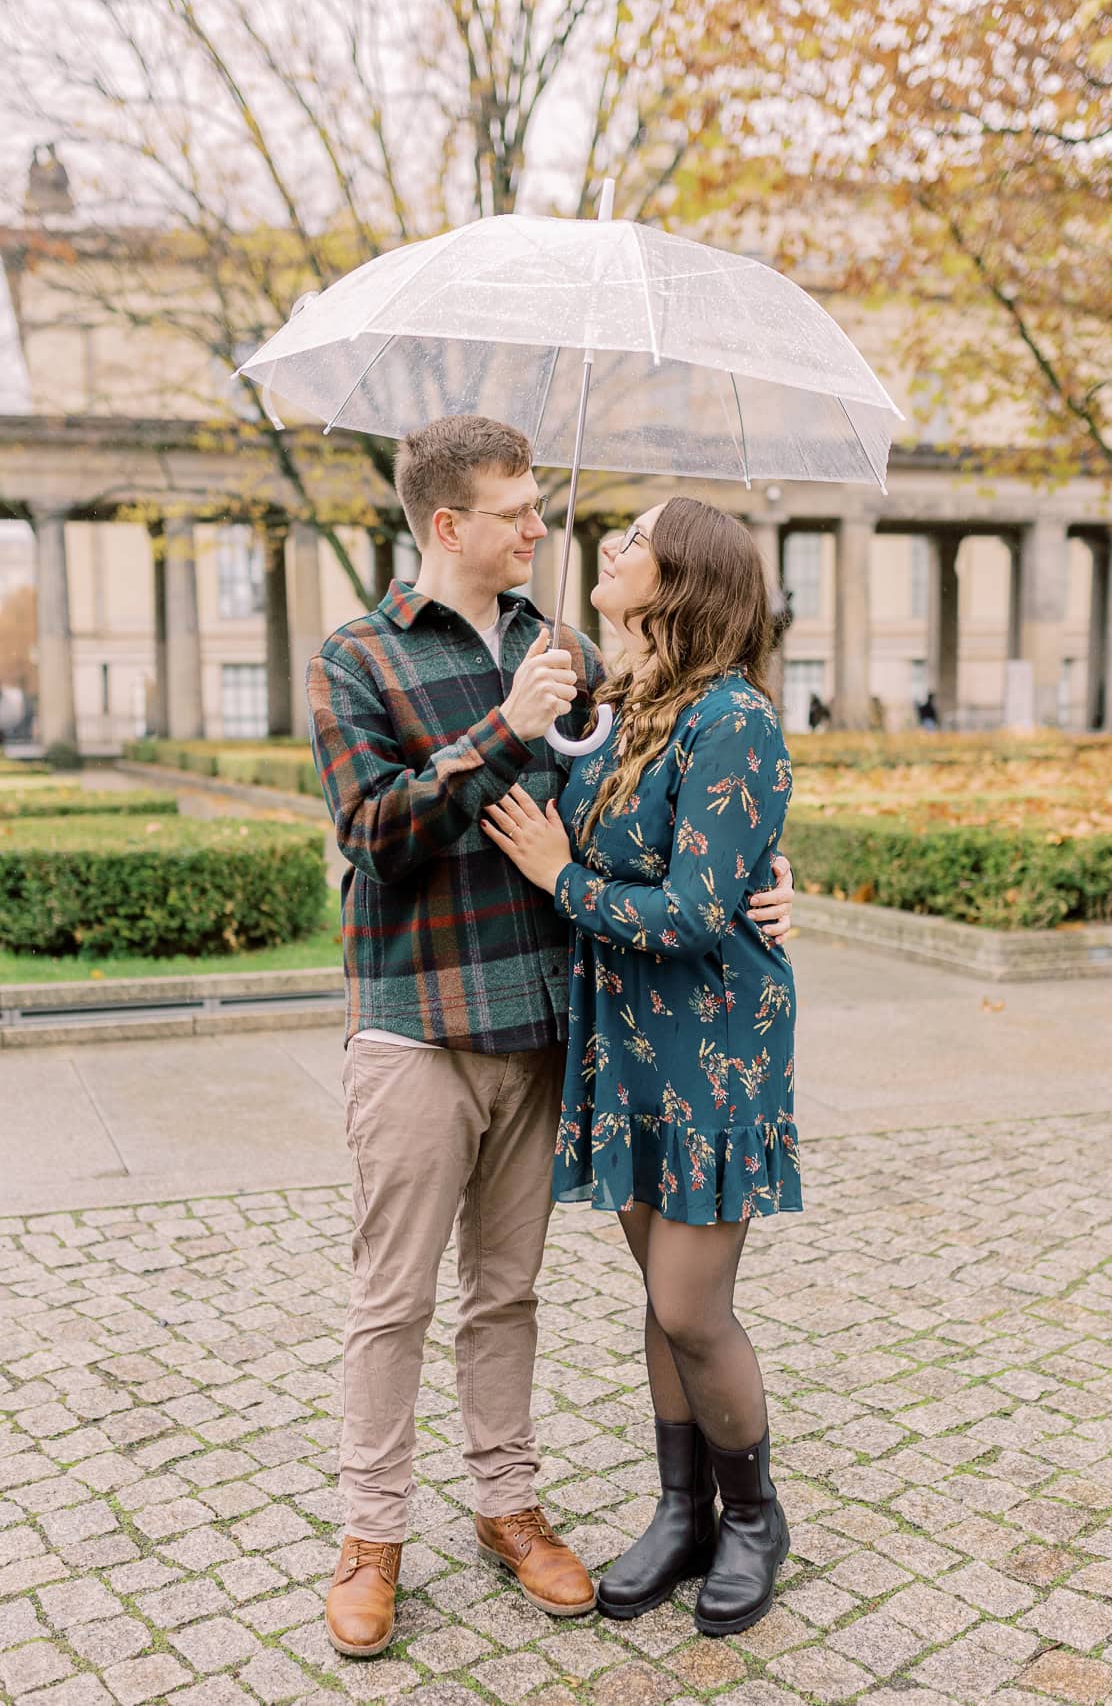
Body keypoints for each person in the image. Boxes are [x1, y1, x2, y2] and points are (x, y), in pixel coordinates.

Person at [307, 417, 796, 1657]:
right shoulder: (358, 656)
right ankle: (372, 1540)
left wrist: (768, 875)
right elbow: (372, 834)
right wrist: (507, 732)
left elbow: (670, 813)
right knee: (392, 1301)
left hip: (553, 1030)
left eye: (544, 505)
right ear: (447, 526)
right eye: (516, 509)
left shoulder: (567, 650)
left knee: (513, 1295)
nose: (544, 526)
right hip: (418, 1019)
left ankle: (516, 1510)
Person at [483, 497, 800, 1638]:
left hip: (713, 1044)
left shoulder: (734, 720)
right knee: (660, 1307)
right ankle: (684, 1511)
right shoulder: (615, 706)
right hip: (621, 1046)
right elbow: (534, 813)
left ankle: (755, 1516)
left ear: (683, 579)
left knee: (689, 1303)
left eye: (635, 536)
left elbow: (700, 911)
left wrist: (565, 879)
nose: (610, 543)